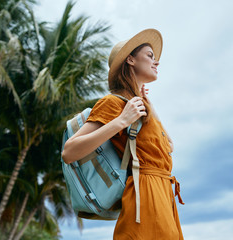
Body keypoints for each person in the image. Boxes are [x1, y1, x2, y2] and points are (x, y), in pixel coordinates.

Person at [62, 29, 184, 240]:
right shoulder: (114, 103)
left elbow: (169, 146)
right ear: (130, 60)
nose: (156, 62)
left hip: (164, 195)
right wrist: (121, 121)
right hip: (146, 197)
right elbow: (69, 152)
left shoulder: (140, 106)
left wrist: (149, 105)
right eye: (149, 55)